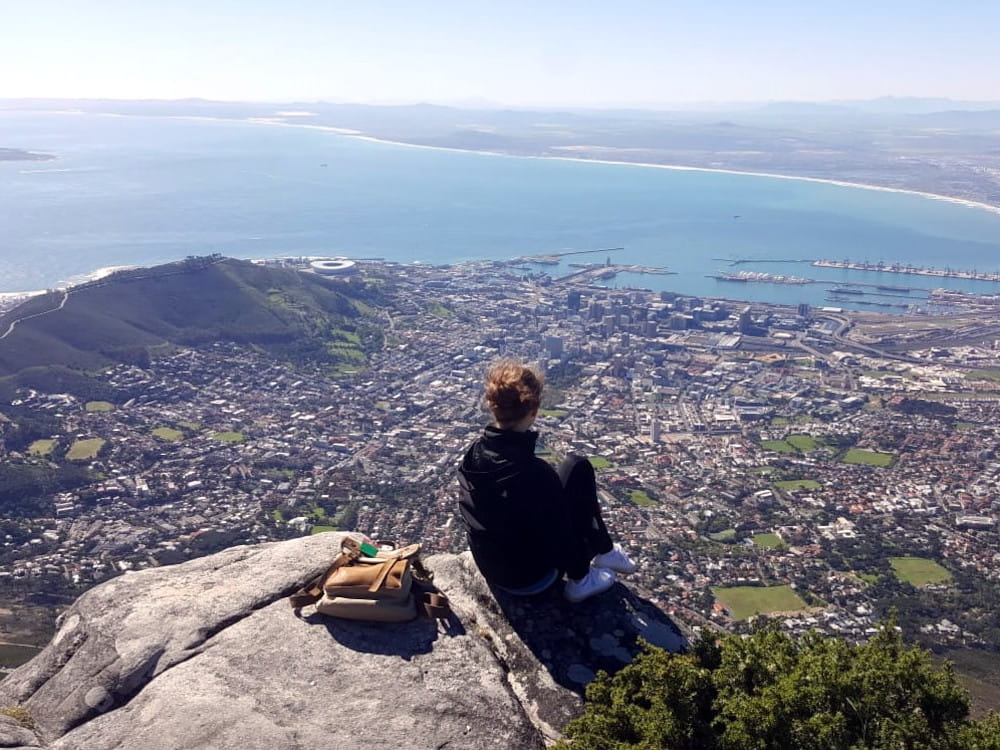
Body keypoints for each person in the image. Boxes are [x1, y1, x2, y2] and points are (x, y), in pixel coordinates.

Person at [457, 359, 635, 603]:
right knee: (575, 472)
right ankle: (582, 580)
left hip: (492, 567)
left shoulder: (474, 455)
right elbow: (559, 534)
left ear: (492, 406)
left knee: (576, 466)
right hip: (532, 578)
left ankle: (605, 550)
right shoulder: (534, 474)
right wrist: (578, 569)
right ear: (534, 410)